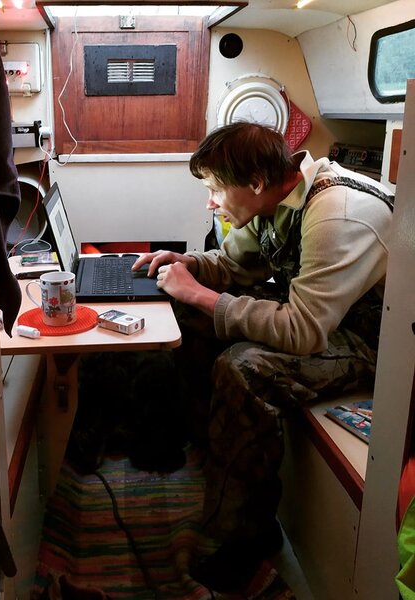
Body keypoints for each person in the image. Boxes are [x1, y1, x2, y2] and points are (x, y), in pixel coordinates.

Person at [132, 121, 394, 593]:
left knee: (243, 369)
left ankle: (248, 538)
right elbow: (234, 266)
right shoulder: (275, 199)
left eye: (215, 190)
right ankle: (211, 455)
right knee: (187, 315)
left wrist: (202, 296)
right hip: (324, 319)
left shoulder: (336, 214)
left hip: (375, 341)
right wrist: (188, 265)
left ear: (254, 182)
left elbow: (303, 331)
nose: (210, 202)